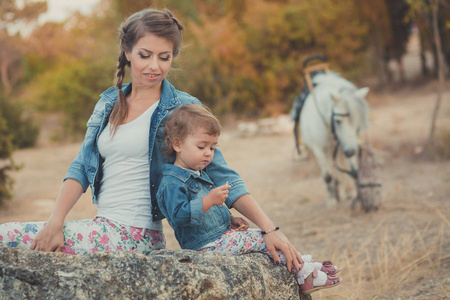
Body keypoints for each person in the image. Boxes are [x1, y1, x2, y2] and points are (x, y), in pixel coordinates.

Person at [0, 8, 300, 271]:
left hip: (136, 235)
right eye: (145, 55)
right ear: (127, 51)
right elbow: (81, 167)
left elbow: (222, 174)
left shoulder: (181, 108)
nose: (153, 66)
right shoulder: (107, 103)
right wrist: (55, 222)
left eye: (164, 57)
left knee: (5, 238)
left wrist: (269, 228)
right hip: (104, 226)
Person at [156, 104, 342, 294]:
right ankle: (304, 274)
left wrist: (230, 219)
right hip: (205, 245)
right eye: (201, 146)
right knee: (263, 237)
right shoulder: (172, 183)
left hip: (217, 238)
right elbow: (179, 216)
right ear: (177, 144)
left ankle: (304, 263)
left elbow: (209, 212)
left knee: (267, 236)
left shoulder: (197, 172)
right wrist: (209, 201)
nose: (208, 153)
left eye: (212, 147)